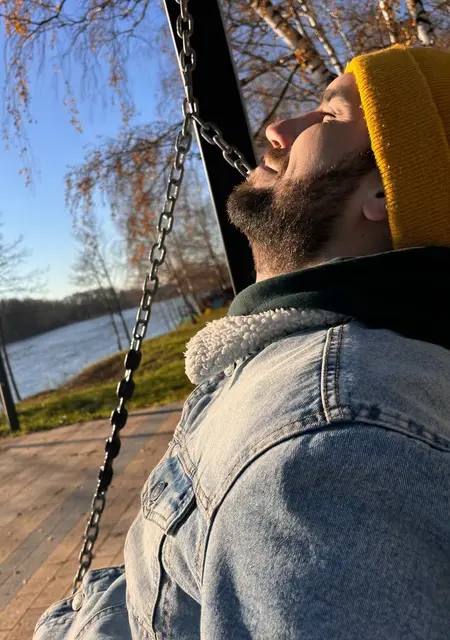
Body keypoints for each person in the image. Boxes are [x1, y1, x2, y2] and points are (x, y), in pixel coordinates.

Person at [35, 44, 450, 640]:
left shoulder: (323, 452)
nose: (279, 128)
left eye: (329, 115)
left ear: (384, 193)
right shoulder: (309, 388)